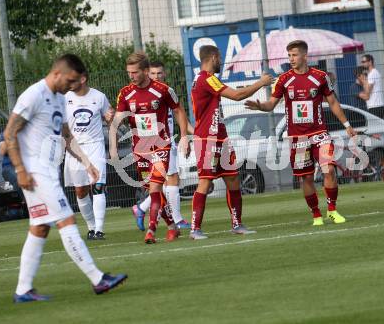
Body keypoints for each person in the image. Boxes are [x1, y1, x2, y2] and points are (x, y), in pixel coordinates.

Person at [5, 54, 127, 303]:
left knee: (39, 227)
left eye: (75, 82)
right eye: (69, 80)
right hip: (35, 172)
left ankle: (23, 289)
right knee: (66, 220)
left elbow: (67, 137)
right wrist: (20, 170)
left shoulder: (61, 99)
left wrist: (87, 163)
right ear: (57, 73)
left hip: (47, 170)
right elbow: (10, 133)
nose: (72, 86)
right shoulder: (33, 95)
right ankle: (97, 278)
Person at [245, 40, 356, 226]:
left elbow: (333, 103)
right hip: (298, 138)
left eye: (294, 55)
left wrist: (347, 124)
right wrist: (259, 106)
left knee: (329, 170)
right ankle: (316, 215)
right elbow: (271, 104)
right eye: (289, 55)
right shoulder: (283, 79)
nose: (291, 59)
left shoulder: (320, 77)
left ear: (305, 55)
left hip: (319, 133)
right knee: (307, 177)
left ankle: (332, 210)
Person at [189, 45, 273, 240]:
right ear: (213, 57)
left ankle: (237, 224)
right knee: (205, 181)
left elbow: (235, 93)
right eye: (219, 58)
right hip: (208, 139)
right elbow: (236, 95)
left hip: (220, 137)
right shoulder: (205, 78)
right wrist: (261, 82)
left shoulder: (208, 80)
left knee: (233, 178)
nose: (221, 62)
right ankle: (195, 229)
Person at [111, 52, 190, 244]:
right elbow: (118, 120)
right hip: (140, 150)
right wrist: (113, 138)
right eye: (129, 72)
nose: (131, 76)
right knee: (155, 192)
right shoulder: (125, 93)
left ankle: (151, 231)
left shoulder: (163, 90)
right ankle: (172, 227)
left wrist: (185, 136)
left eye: (135, 72)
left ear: (145, 71)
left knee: (155, 188)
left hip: (161, 147)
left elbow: (179, 110)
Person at [131, 61, 192, 231]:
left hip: (168, 142)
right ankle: (177, 219)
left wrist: (190, 134)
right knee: (170, 179)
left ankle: (142, 208)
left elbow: (180, 116)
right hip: (157, 144)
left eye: (159, 73)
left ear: (164, 74)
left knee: (166, 182)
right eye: (153, 74)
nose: (156, 77)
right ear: (147, 75)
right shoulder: (144, 95)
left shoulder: (166, 92)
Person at [64, 69, 114, 240]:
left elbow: (110, 119)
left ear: (83, 79)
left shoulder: (99, 97)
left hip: (95, 145)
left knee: (98, 185)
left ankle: (99, 229)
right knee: (80, 190)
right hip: (75, 148)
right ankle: (91, 227)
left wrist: (110, 117)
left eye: (73, 79)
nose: (70, 83)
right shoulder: (65, 98)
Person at [359, 54, 384, 118]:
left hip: (375, 106)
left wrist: (363, 81)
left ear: (370, 62)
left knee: (377, 127)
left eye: (364, 62)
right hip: (376, 105)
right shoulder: (373, 73)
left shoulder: (372, 74)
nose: (362, 64)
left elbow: (367, 94)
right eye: (362, 62)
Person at [0, 132, 23, 198]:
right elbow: (2, 150)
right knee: (18, 178)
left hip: (27, 165)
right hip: (9, 166)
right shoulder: (7, 132)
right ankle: (24, 202)